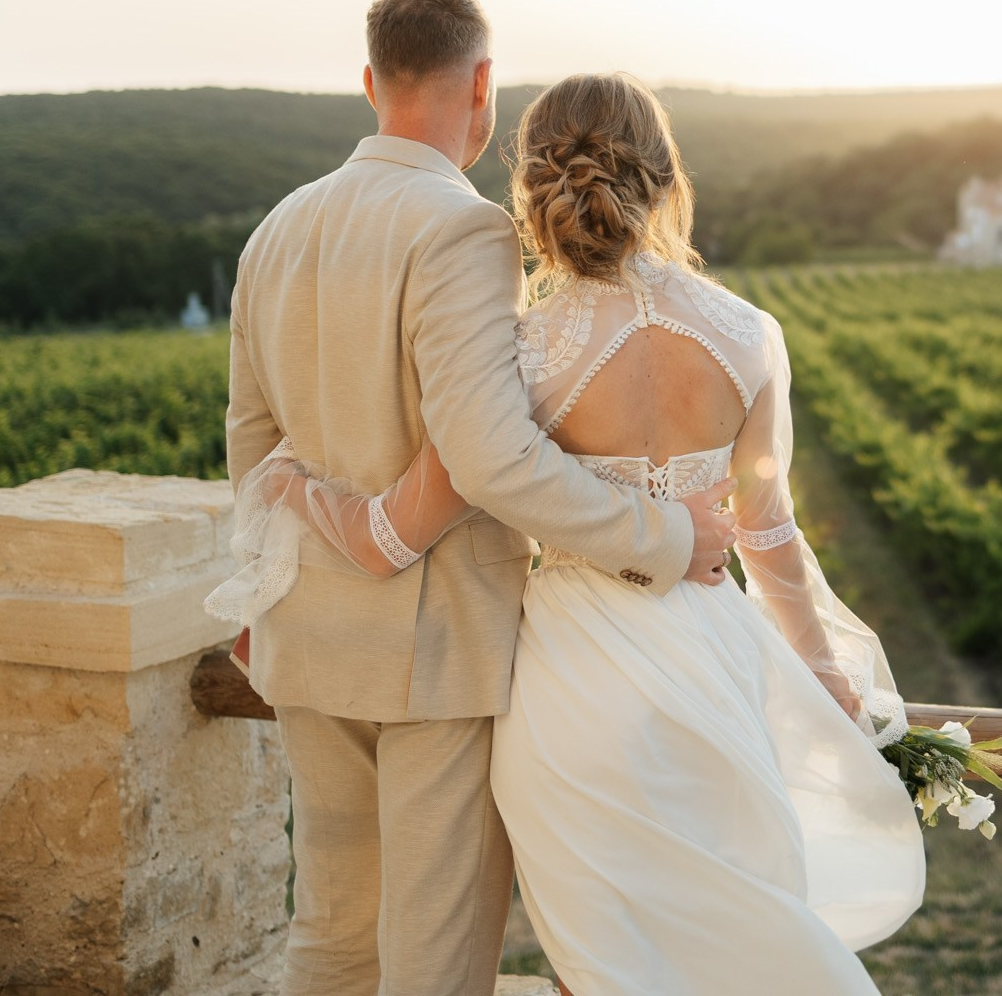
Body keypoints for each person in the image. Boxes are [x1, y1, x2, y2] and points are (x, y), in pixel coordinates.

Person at [230, 71, 924, 995]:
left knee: (600, 960)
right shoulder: (751, 335)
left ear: (535, 190)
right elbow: (771, 536)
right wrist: (823, 669)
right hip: (712, 667)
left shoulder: (524, 355)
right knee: (725, 926)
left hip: (566, 681)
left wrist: (293, 493)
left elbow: (457, 482)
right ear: (667, 176)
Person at [214, 0, 741, 996]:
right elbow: (493, 456)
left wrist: (263, 586)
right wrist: (666, 535)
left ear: (372, 80)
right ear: (484, 85)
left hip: (302, 634)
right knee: (435, 951)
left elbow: (250, 440)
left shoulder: (277, 227)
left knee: (328, 929)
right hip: (433, 652)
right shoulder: (462, 231)